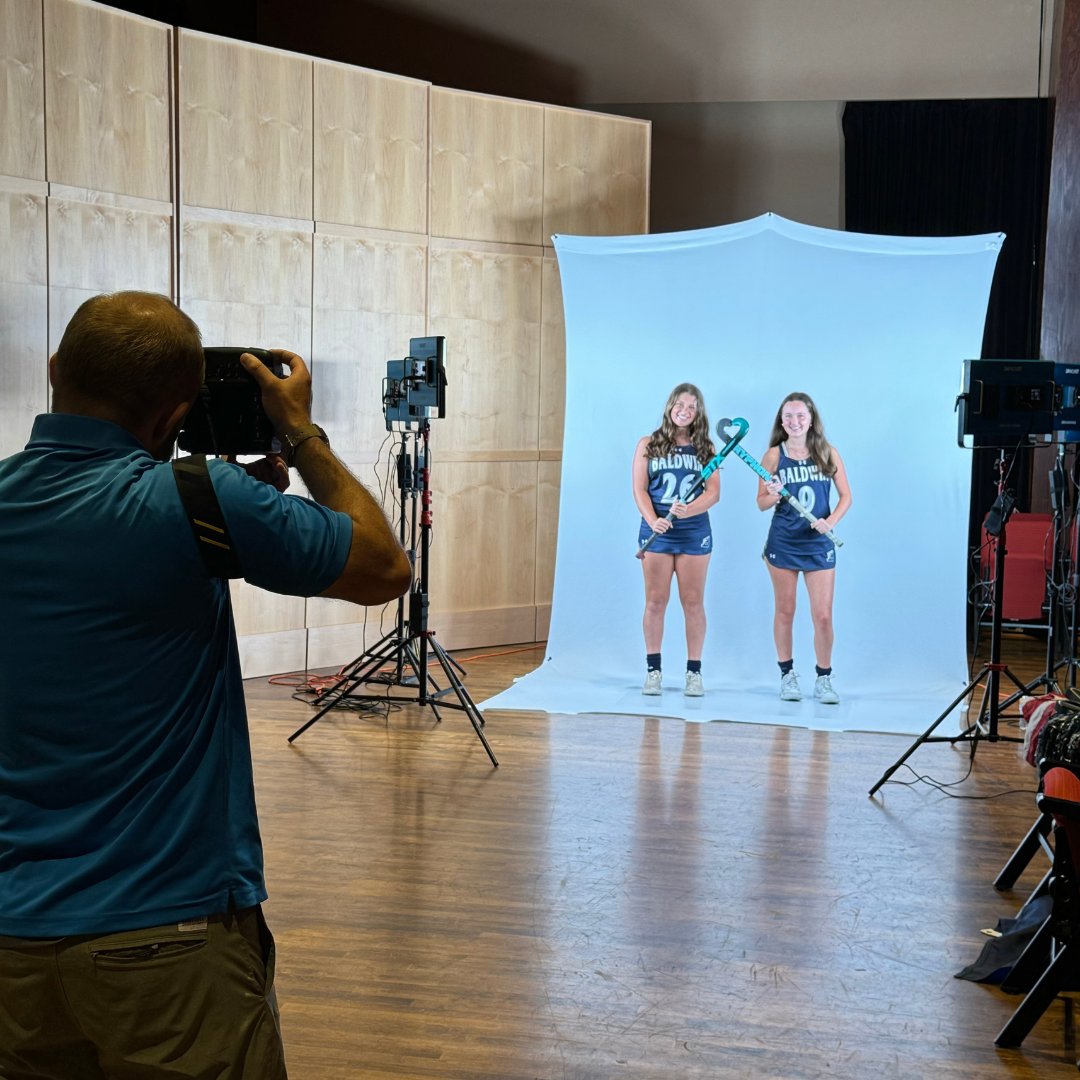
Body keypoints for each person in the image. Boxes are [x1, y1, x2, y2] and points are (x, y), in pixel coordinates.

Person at [0, 291, 411, 1079]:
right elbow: (381, 568)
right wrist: (298, 430)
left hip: (15, 941)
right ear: (175, 413)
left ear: (55, 372)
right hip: (169, 937)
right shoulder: (199, 501)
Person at [756, 392, 851, 704]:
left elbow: (846, 497)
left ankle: (824, 678)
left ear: (811, 419)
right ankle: (787, 676)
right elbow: (761, 503)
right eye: (788, 417)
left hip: (818, 544)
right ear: (781, 421)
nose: (794, 422)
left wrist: (830, 522)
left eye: (800, 416)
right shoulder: (773, 455)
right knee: (785, 611)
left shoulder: (828, 452)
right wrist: (775, 493)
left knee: (822, 616)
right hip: (783, 542)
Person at [633, 383, 720, 697]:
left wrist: (687, 511)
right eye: (680, 405)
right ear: (670, 406)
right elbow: (640, 489)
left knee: (693, 602)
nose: (684, 411)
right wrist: (652, 519)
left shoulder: (705, 448)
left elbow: (713, 493)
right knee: (656, 601)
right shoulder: (648, 443)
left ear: (698, 413)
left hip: (694, 533)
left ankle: (693, 673)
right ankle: (653, 671)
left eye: (692, 407)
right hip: (657, 532)